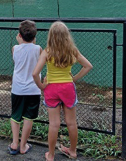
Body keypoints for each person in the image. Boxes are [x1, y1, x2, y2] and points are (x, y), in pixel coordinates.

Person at [33, 21, 93, 161]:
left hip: (51, 89)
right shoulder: (72, 50)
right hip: (68, 88)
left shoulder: (47, 51)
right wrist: (74, 78)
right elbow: (88, 66)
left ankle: (51, 155)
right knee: (71, 123)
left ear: (51, 36)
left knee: (54, 124)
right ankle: (72, 152)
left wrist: (42, 86)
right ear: (67, 35)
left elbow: (35, 73)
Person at [8, 20, 43, 155]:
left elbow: (19, 55)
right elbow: (33, 50)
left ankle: (14, 143)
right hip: (34, 89)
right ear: (34, 36)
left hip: (17, 88)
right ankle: (23, 145)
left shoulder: (15, 48)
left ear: (20, 36)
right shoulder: (38, 49)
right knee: (29, 117)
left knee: (16, 116)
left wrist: (21, 42)